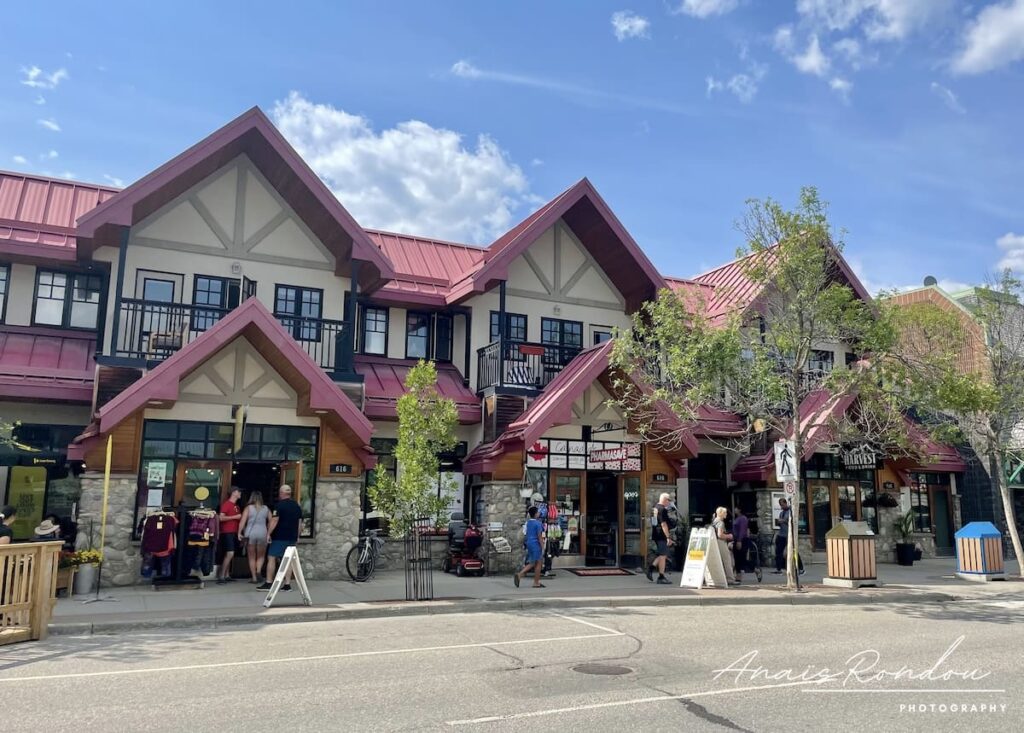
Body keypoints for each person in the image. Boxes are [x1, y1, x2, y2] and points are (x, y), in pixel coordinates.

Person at [258, 485, 302, 592]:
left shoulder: (279, 506)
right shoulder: (296, 506)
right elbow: (300, 522)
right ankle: (287, 584)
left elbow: (274, 520)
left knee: (271, 557)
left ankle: (269, 582)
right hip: (291, 537)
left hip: (279, 537)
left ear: (281, 493)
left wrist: (268, 533)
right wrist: (297, 536)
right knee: (287, 560)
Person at [239, 491, 270, 584]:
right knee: (261, 555)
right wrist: (268, 531)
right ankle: (258, 571)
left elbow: (242, 521)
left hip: (250, 533)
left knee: (251, 556)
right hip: (262, 533)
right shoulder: (266, 508)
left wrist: (239, 532)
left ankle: (254, 578)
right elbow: (271, 520)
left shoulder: (248, 508)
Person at [645, 493, 674, 585]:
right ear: (665, 500)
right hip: (661, 535)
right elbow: (663, 524)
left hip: (656, 534)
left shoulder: (655, 508)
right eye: (668, 500)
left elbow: (654, 522)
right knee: (663, 555)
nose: (669, 502)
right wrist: (668, 537)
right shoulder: (662, 509)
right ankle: (661, 577)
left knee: (663, 554)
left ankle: (651, 569)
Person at [513, 506, 546, 589]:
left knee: (533, 562)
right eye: (538, 512)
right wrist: (543, 547)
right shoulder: (538, 523)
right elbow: (539, 537)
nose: (539, 513)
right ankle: (534, 581)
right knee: (538, 563)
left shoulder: (528, 523)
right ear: (535, 514)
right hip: (536, 544)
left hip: (529, 543)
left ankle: (522, 575)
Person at [216, 487, 243, 584]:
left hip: (234, 532)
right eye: (239, 492)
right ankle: (221, 576)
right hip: (226, 531)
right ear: (234, 492)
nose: (240, 494)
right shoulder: (227, 504)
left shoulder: (236, 506)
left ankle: (227, 575)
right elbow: (221, 518)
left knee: (230, 553)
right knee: (230, 553)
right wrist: (235, 517)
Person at [773, 497, 805, 575]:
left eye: (782, 505)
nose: (782, 507)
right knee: (778, 552)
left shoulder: (791, 512)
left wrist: (783, 521)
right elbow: (781, 524)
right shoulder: (781, 513)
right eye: (780, 505)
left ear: (786, 503)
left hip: (789, 534)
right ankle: (779, 569)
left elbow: (793, 522)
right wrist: (778, 522)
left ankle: (801, 568)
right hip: (781, 534)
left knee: (794, 551)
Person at [711, 507, 738, 585]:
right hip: (721, 542)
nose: (726, 514)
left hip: (715, 542)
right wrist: (729, 536)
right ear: (721, 514)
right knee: (727, 560)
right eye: (725, 513)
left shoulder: (714, 521)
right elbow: (720, 535)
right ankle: (730, 579)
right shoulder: (720, 522)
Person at [732, 507, 749, 583]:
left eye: (736, 508)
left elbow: (742, 530)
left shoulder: (743, 518)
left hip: (741, 540)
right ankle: (738, 574)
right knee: (737, 557)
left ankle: (739, 575)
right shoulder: (737, 518)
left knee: (741, 558)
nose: (734, 510)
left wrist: (739, 540)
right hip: (736, 539)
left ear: (740, 510)